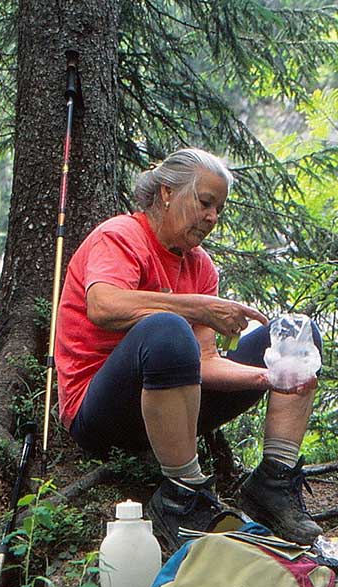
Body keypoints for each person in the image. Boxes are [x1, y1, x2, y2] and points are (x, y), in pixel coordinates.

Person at [55, 147, 322, 551]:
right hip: (100, 413)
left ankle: (272, 483)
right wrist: (198, 306)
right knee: (167, 329)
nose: (213, 217)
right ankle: (184, 492)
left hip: (173, 400)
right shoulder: (121, 236)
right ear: (166, 193)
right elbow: (103, 305)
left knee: (297, 333)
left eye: (219, 208)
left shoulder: (200, 267)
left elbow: (205, 363)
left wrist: (269, 377)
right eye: (204, 202)